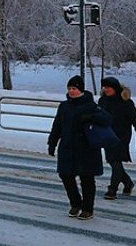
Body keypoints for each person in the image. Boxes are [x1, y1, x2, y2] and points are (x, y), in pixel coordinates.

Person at [47, 75, 111, 220]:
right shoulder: (64, 106)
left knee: (87, 179)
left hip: (86, 149)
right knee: (65, 175)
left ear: (80, 89)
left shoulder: (91, 105)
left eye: (74, 88)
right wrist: (52, 142)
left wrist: (91, 117)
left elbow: (107, 119)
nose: (71, 91)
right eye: (69, 88)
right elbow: (57, 125)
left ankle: (88, 209)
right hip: (67, 147)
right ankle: (76, 203)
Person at [98, 76, 136, 199]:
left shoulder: (126, 102)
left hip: (122, 137)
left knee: (115, 162)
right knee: (113, 161)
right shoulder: (102, 101)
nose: (106, 89)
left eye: (108, 87)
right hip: (107, 135)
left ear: (115, 87)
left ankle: (112, 190)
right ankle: (128, 183)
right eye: (104, 87)